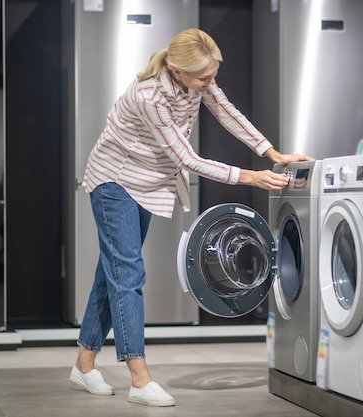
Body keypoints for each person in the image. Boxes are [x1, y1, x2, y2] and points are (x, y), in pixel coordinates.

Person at [69, 27, 313, 407]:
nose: (210, 83)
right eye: (204, 78)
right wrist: (249, 177)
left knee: (114, 272)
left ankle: (84, 364)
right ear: (176, 69)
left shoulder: (199, 81)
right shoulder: (150, 95)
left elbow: (227, 113)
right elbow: (188, 159)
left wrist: (273, 154)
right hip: (114, 179)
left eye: (213, 75)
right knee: (129, 274)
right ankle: (139, 377)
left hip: (150, 182)